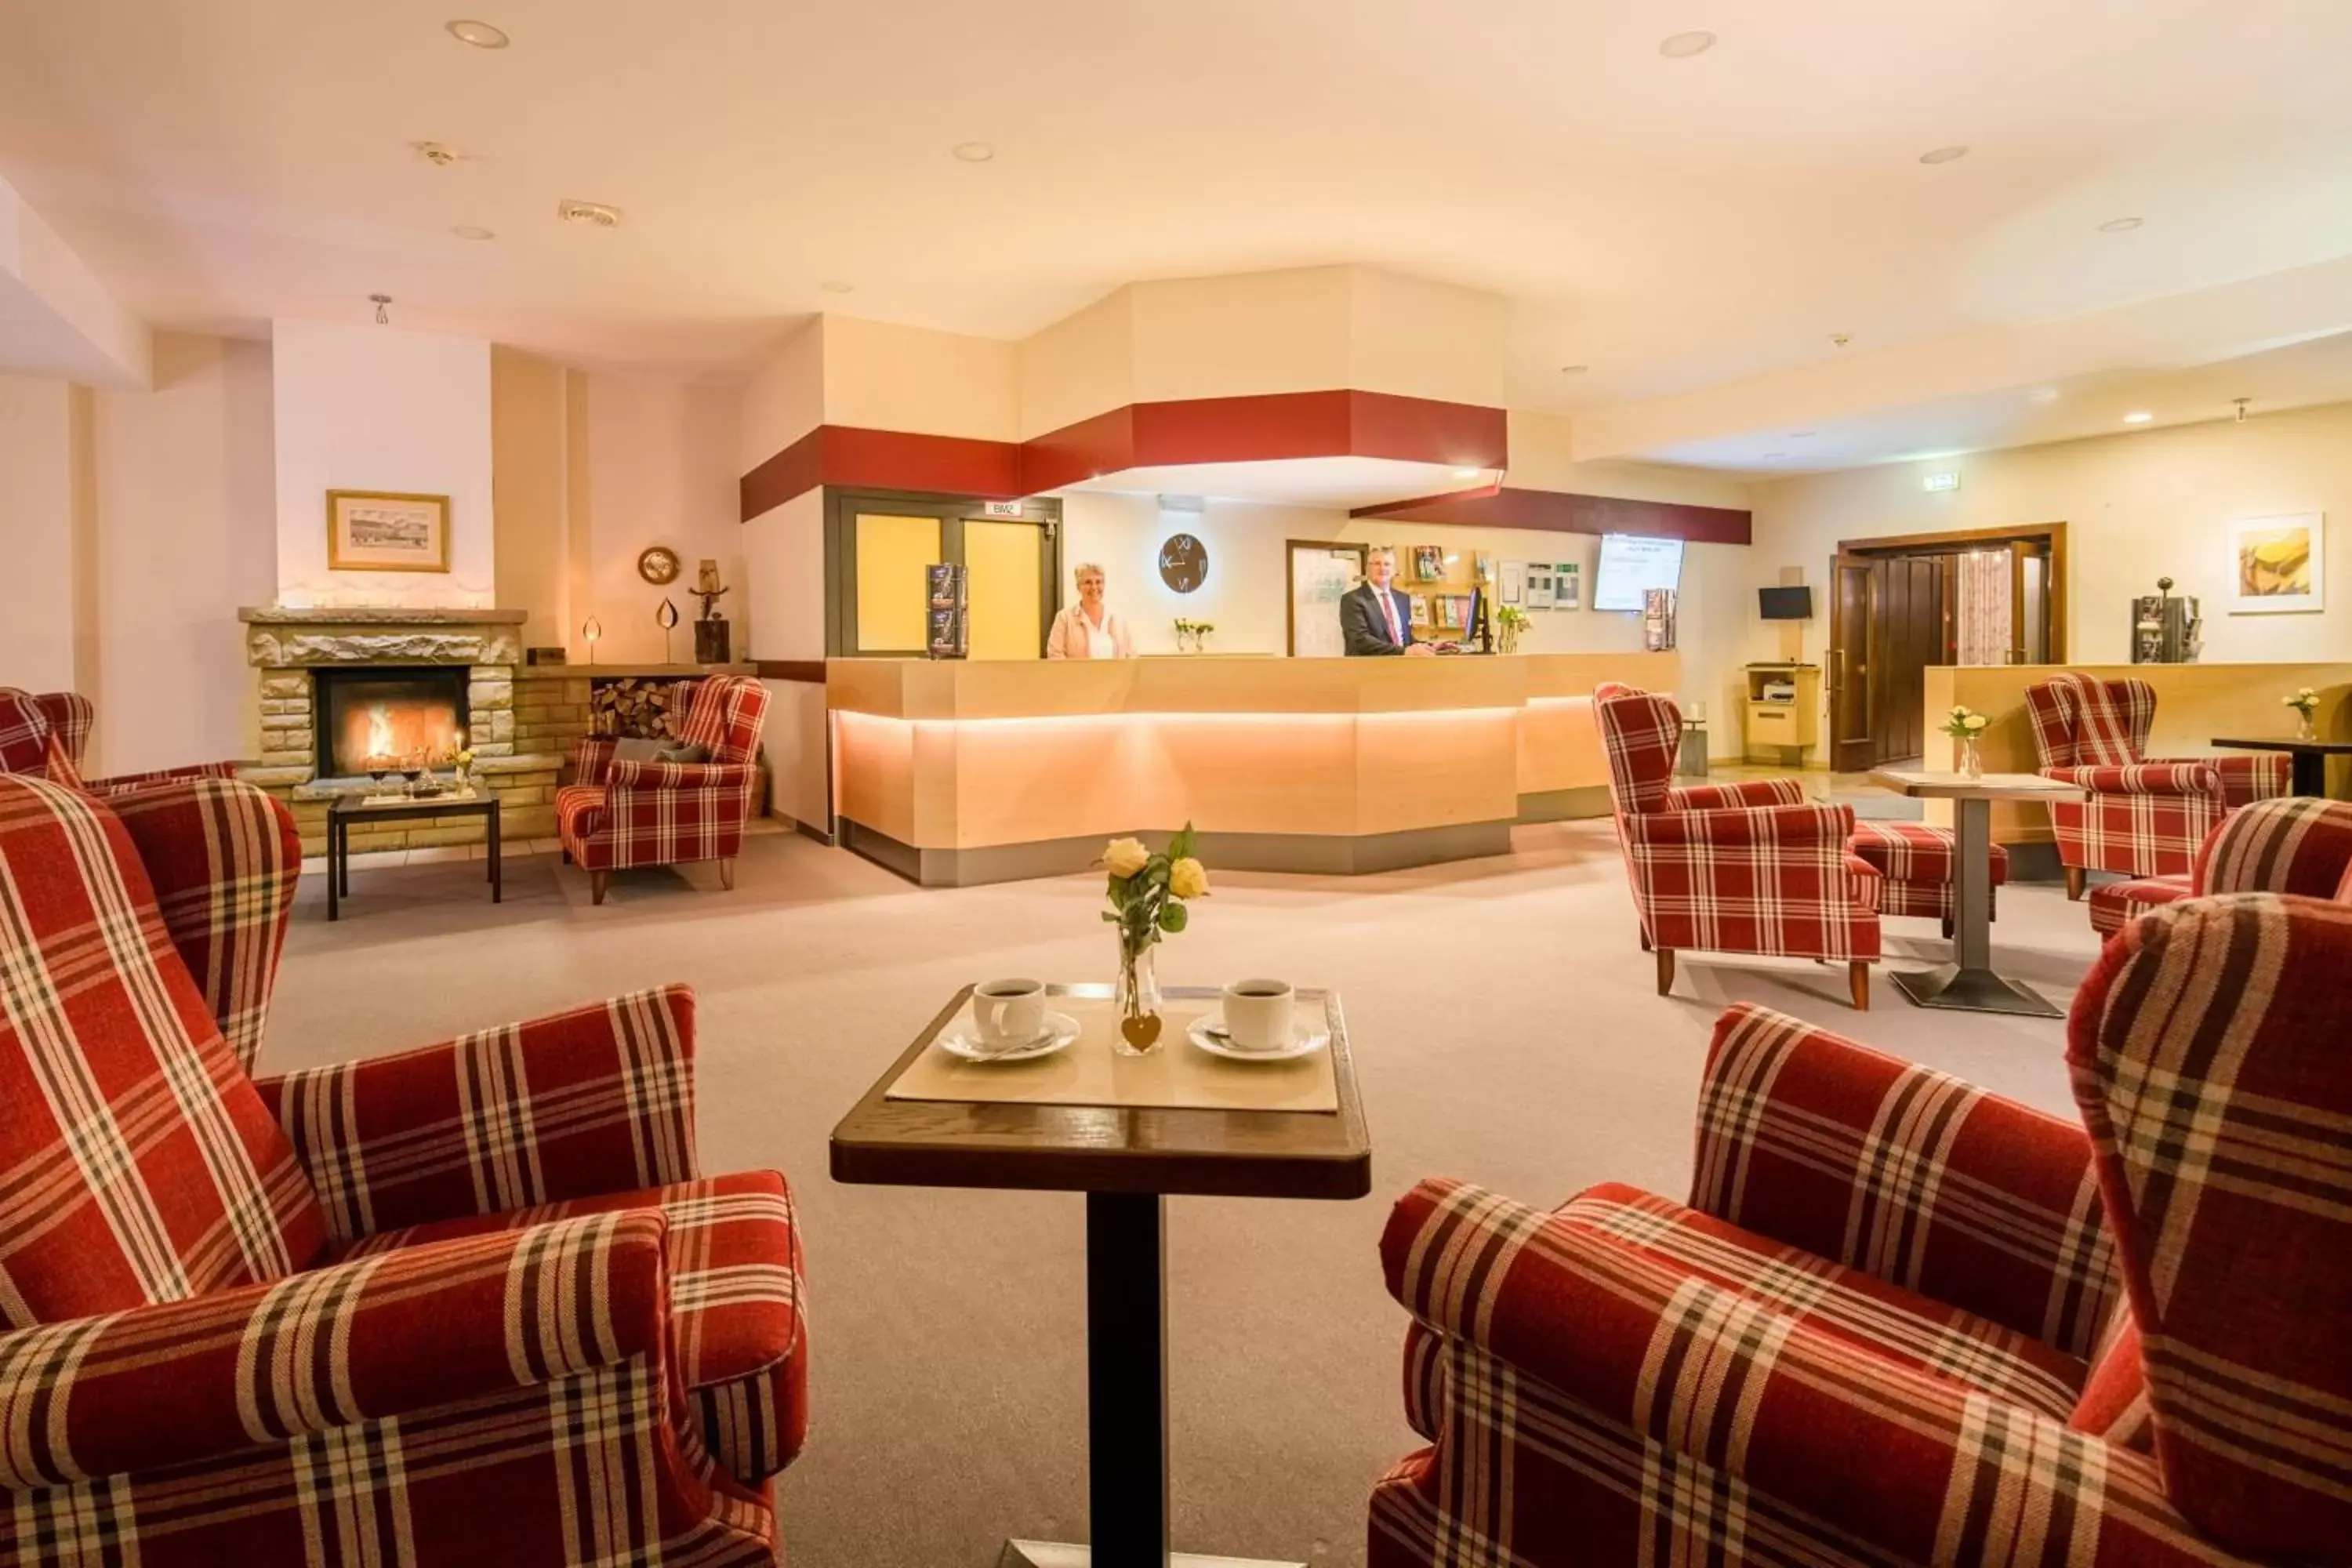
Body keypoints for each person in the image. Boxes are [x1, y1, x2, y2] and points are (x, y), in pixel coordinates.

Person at [1341, 546, 1436, 657]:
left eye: (1387, 564)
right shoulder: (1353, 599)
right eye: (1377, 564)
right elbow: (1359, 640)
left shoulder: (1403, 599)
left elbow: (1404, 639)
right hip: (1368, 670)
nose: (1382, 568)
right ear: (1367, 569)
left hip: (1402, 668)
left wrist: (1428, 647)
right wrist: (1404, 652)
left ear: (1394, 570)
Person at [1045, 561, 1134, 659]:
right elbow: (1055, 655)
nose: (1094, 587)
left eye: (1098, 582)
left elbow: (1131, 655)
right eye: (1088, 582)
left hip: (1116, 674)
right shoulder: (1065, 618)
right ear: (1078, 587)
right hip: (1077, 674)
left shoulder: (1118, 618)